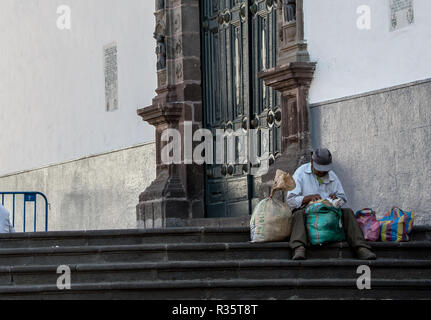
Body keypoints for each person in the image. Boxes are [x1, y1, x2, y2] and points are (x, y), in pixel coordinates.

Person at [286, 148, 376, 261]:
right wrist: (307, 198)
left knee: (347, 212)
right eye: (319, 170)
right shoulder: (301, 173)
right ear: (312, 162)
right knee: (297, 214)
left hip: (327, 213)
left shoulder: (332, 176)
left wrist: (335, 199)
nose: (322, 173)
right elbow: (290, 200)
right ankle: (299, 248)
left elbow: (342, 198)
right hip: (308, 213)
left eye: (325, 171)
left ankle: (361, 248)